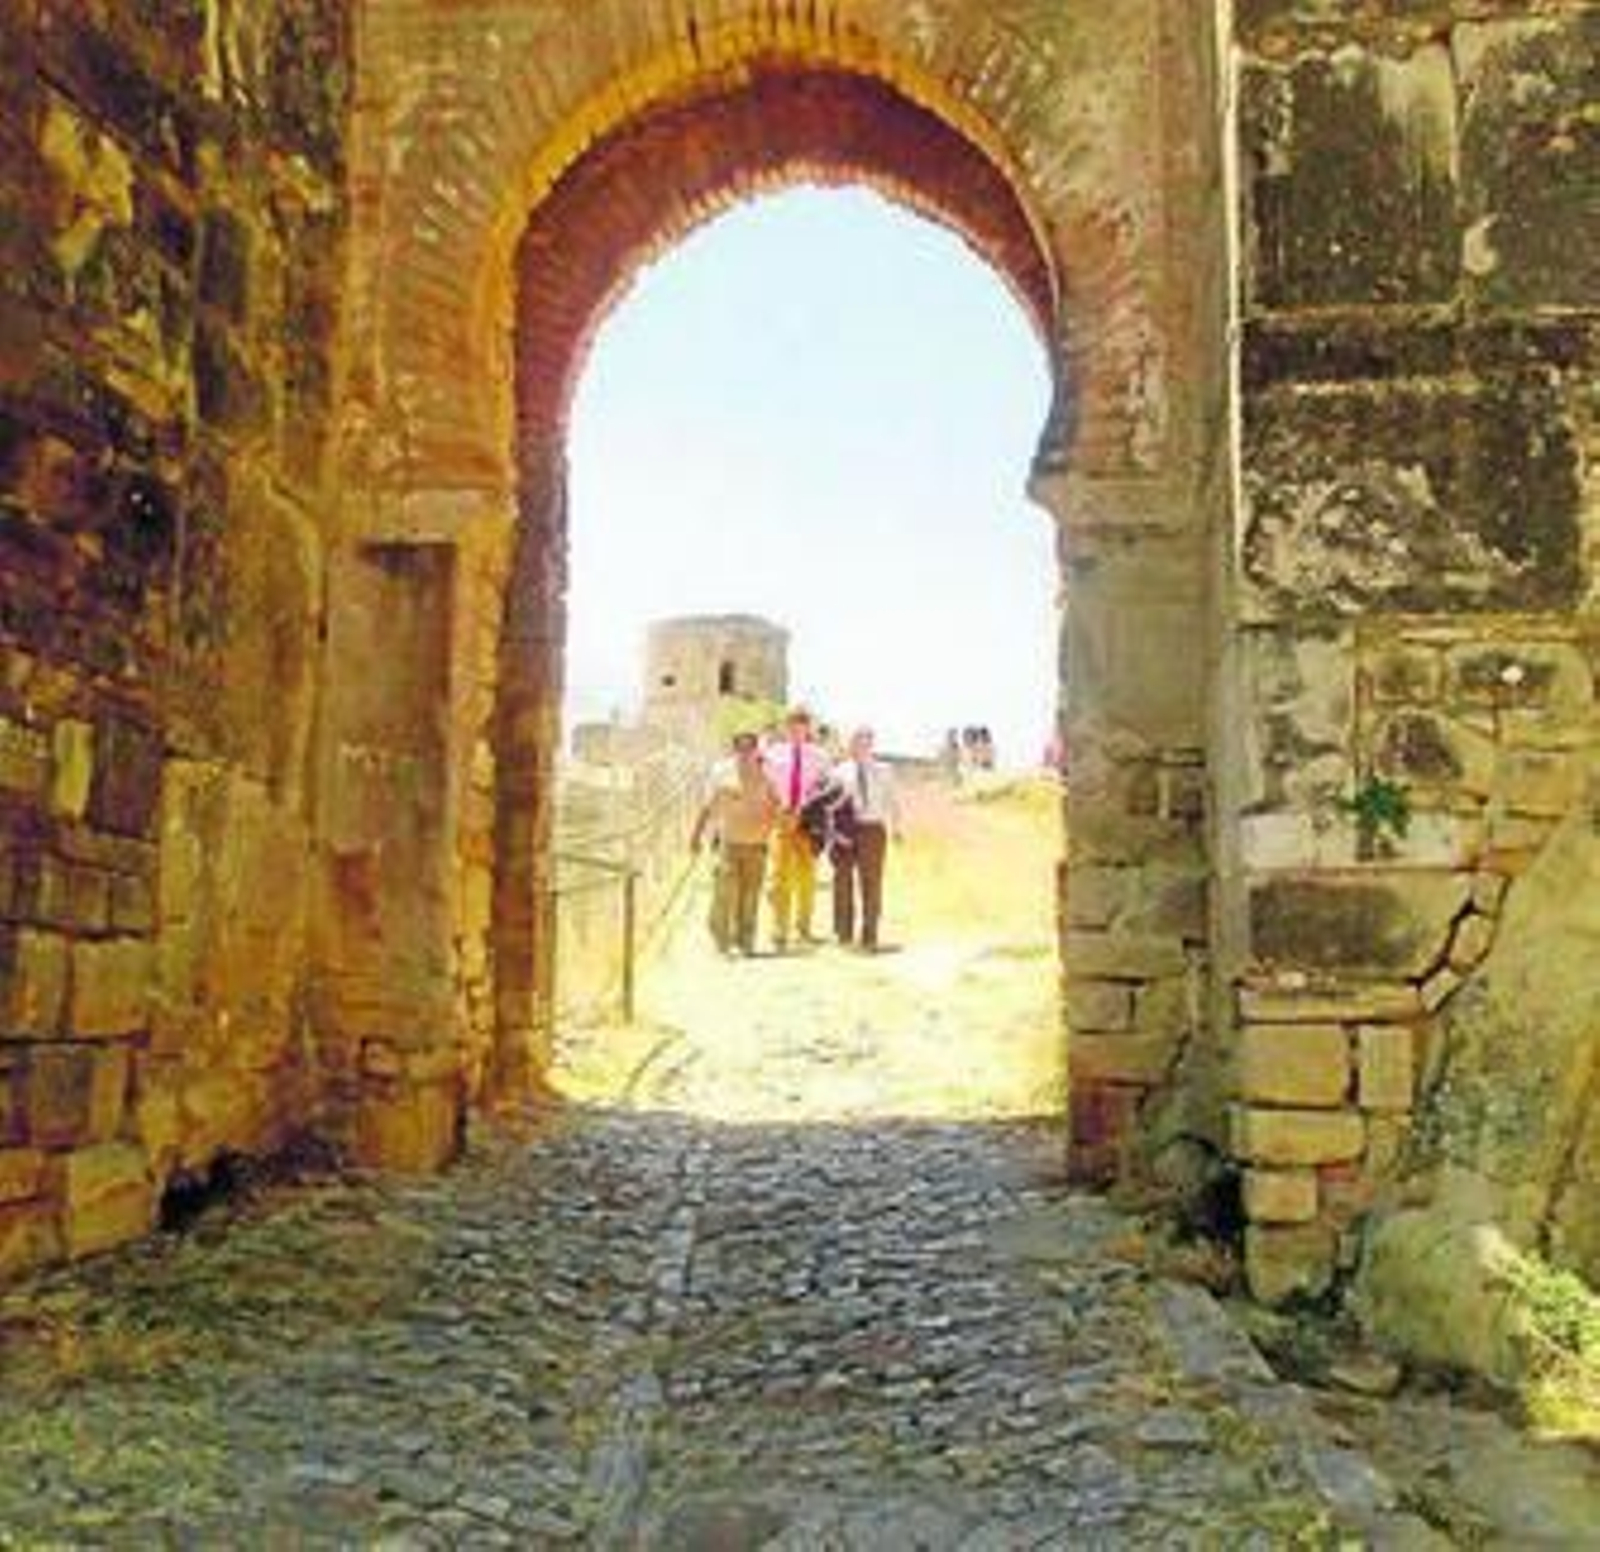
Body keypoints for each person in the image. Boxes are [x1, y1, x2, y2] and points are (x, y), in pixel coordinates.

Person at [690, 731, 778, 956]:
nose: (745, 753)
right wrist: (696, 836)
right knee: (725, 893)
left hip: (757, 846)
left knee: (750, 896)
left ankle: (746, 941)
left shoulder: (767, 778)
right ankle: (722, 939)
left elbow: (777, 808)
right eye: (741, 748)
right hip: (729, 843)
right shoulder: (724, 778)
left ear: (755, 751)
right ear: (735, 751)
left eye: (749, 748)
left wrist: (771, 829)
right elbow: (707, 808)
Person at [762, 705, 832, 951]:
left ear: (807, 727)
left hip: (808, 820)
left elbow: (826, 787)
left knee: (807, 876)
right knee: (780, 876)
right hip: (782, 817)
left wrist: (809, 810)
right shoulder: (773, 754)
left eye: (801, 724)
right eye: (792, 724)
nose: (796, 729)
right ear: (786, 727)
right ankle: (779, 929)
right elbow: (766, 784)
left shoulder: (820, 756)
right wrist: (777, 809)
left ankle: (804, 928)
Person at [829, 726, 903, 952]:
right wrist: (833, 833)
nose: (861, 745)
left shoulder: (885, 770)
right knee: (842, 881)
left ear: (871, 743)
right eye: (856, 741)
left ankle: (869, 934)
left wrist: (896, 828)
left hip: (873, 829)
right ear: (850, 744)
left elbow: (893, 801)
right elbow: (830, 805)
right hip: (846, 830)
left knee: (871, 882)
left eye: (866, 740)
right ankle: (843, 934)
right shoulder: (838, 771)